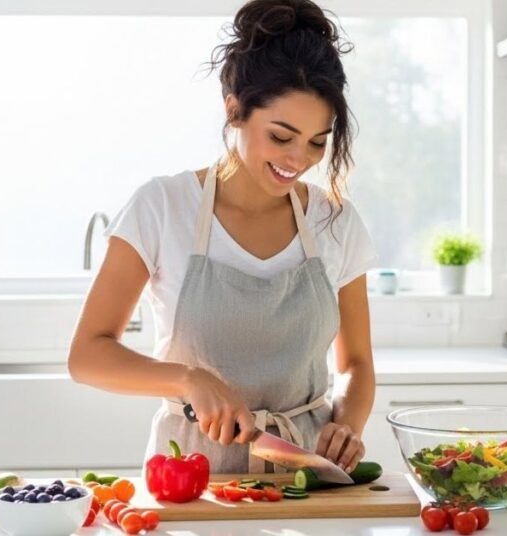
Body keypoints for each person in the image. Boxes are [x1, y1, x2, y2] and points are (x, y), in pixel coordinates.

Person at [68, 0, 377, 476]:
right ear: (235, 111)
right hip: (191, 477)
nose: (299, 158)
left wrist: (348, 424)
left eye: (318, 141)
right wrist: (188, 379)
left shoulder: (334, 220)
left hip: (309, 476)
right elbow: (87, 355)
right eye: (281, 136)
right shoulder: (162, 207)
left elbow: (355, 361)